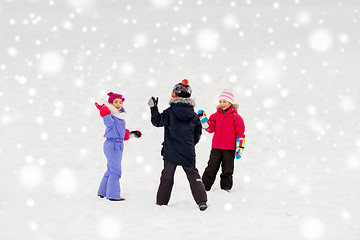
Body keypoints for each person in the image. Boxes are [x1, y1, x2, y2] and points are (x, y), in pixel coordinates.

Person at [148, 79, 208, 211]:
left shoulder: (169, 112)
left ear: (174, 95)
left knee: (167, 176)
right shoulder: (194, 115)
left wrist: (153, 108)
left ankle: (161, 202)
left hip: (171, 151)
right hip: (187, 151)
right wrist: (190, 144)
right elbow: (198, 134)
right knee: (193, 175)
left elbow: (157, 122)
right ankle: (202, 201)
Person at [95, 92, 142, 201]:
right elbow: (109, 123)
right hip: (113, 145)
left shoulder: (120, 117)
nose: (118, 104)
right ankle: (113, 194)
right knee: (116, 171)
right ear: (111, 103)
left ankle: (102, 191)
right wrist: (104, 112)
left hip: (117, 144)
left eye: (120, 102)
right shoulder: (111, 116)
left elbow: (120, 133)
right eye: (115, 102)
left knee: (110, 169)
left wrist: (130, 135)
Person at [198, 89, 245, 192]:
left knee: (227, 169)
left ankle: (226, 187)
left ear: (230, 103)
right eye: (220, 101)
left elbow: (240, 134)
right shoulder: (215, 116)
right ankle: (204, 187)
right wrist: (203, 119)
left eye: (224, 101)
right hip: (216, 147)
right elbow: (210, 129)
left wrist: (240, 147)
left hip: (229, 148)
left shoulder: (236, 117)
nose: (222, 104)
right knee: (211, 167)